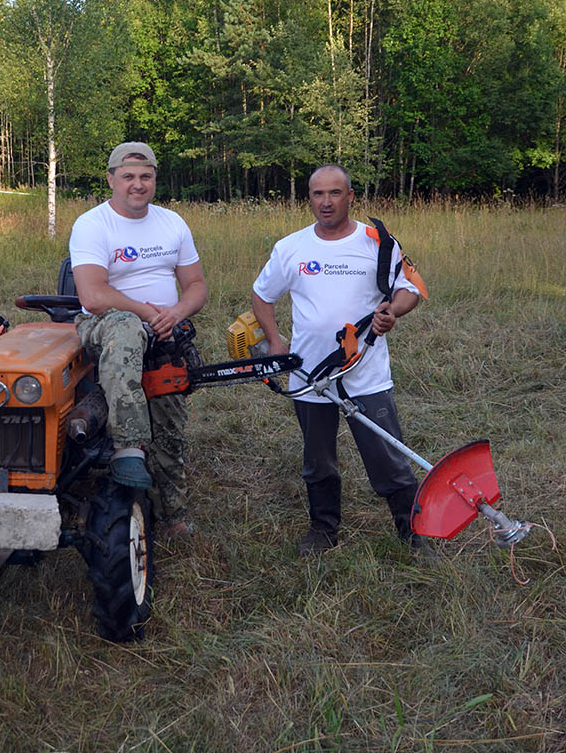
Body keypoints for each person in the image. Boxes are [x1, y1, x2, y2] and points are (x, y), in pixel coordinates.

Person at [251, 163, 425, 554]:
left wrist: (393, 312)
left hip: (367, 373)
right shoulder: (291, 247)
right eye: (317, 194)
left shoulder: (378, 241)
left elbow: (410, 288)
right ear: (309, 198)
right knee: (318, 460)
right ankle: (323, 531)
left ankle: (413, 533)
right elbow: (262, 295)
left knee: (389, 458)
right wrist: (276, 342)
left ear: (350, 197)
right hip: (309, 375)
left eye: (334, 193)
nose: (326, 202)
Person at [69, 142, 208, 538]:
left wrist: (174, 314)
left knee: (169, 425)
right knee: (127, 326)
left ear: (154, 180)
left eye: (145, 176)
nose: (137, 184)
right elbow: (94, 296)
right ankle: (127, 447)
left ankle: (171, 513)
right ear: (111, 178)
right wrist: (148, 313)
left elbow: (196, 285)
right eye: (128, 176)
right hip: (104, 328)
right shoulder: (93, 224)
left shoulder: (172, 223)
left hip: (163, 333)